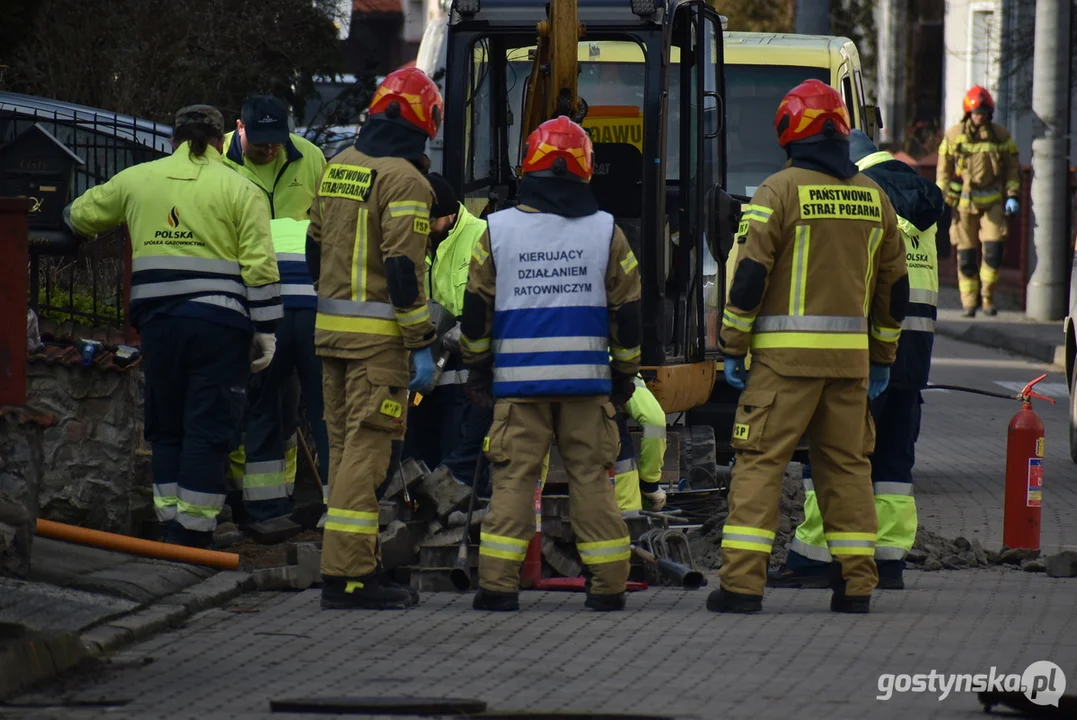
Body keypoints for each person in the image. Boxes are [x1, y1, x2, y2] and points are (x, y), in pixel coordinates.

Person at [711, 79, 908, 615]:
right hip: (850, 367)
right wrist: (884, 357)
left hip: (782, 365)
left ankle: (742, 588)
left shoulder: (779, 190)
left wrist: (732, 345)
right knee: (846, 470)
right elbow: (895, 289)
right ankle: (856, 587)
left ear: (788, 132)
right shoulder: (875, 198)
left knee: (759, 465)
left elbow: (749, 276)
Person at [67, 105, 282, 548]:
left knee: (166, 427)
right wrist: (266, 330)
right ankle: (194, 533)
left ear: (172, 140)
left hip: (159, 324)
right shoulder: (243, 189)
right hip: (220, 328)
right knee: (208, 427)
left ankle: (170, 528)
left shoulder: (138, 179)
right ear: (221, 141)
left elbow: (79, 215)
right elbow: (260, 269)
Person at [461, 116, 642, 613]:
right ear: (585, 171)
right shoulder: (608, 233)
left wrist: (478, 368)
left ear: (529, 169)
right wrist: (624, 374)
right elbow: (627, 314)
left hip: (518, 387)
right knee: (591, 479)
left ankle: (498, 586)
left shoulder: (495, 231)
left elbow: (476, 310)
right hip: (587, 383)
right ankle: (607, 586)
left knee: (515, 480)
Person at [770, 130, 945, 591]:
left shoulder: (863, 196)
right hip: (915, 353)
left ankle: (814, 555)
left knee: (834, 455)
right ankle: (888, 560)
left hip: (867, 348)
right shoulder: (923, 196)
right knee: (893, 463)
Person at [308, 68, 442, 610]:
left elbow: (315, 252)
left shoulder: (339, 167)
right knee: (368, 456)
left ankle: (345, 564)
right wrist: (420, 340)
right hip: (377, 345)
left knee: (344, 452)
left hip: (331, 335)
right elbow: (403, 270)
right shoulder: (405, 180)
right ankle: (350, 577)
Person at [222, 95, 329, 528]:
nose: (270, 150)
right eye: (261, 142)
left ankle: (291, 507)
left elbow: (327, 225)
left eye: (277, 142)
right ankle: (268, 509)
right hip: (253, 306)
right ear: (239, 128)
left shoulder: (312, 158)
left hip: (302, 304)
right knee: (267, 406)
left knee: (309, 408)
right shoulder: (217, 161)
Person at [228, 217, 331, 527]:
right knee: (327, 413)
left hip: (272, 313)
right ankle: (337, 507)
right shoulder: (318, 226)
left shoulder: (258, 226)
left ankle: (265, 511)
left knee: (264, 406)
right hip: (317, 312)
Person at [402, 173, 491, 490]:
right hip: (428, 352)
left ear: (450, 214)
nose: (422, 229)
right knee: (419, 444)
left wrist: (468, 328)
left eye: (429, 221)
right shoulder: (415, 238)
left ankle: (458, 509)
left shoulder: (483, 235)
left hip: (469, 358)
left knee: (460, 442)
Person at [936, 86, 1020, 317]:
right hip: (964, 205)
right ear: (968, 113)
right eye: (975, 112)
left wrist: (1012, 195)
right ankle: (969, 303)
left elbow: (1013, 169)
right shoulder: (954, 136)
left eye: (983, 112)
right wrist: (940, 196)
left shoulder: (1001, 136)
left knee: (993, 251)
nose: (979, 116)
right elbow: (944, 170)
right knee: (967, 257)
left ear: (989, 113)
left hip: (993, 202)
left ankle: (987, 299)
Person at [614, 376, 668, 513]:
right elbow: (654, 422)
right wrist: (649, 483)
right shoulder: (617, 365)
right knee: (625, 526)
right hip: (615, 476)